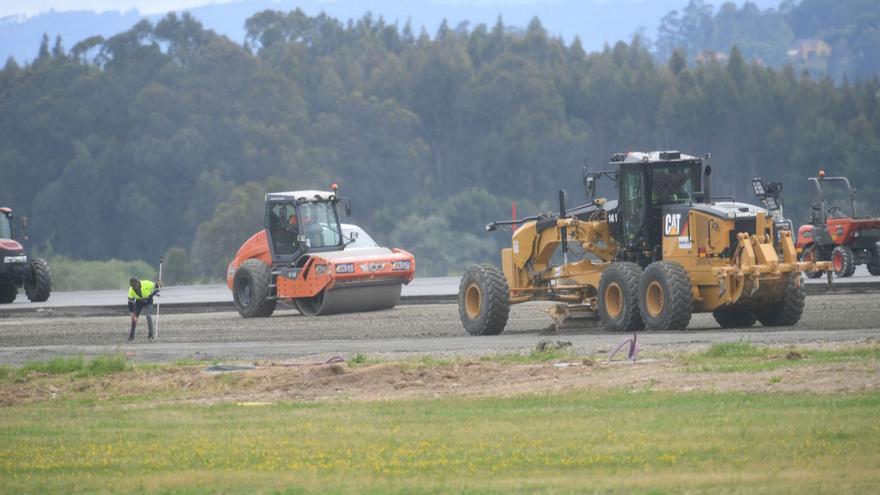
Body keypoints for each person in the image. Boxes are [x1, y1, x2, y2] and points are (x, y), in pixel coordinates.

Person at [128, 277, 159, 342]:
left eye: (135, 285)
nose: (134, 287)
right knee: (134, 317)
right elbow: (130, 302)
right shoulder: (131, 290)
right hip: (139, 302)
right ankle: (131, 335)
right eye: (132, 286)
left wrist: (158, 285)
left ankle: (150, 334)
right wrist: (132, 312)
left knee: (148, 315)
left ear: (138, 283)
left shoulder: (146, 283)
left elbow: (157, 286)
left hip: (148, 301)